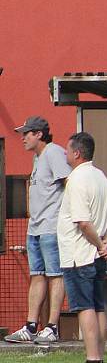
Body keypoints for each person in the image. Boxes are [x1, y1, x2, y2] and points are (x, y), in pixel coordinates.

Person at [4, 117, 73, 344]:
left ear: (39, 134)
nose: (22, 138)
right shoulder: (37, 158)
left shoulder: (53, 152)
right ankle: (31, 326)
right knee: (37, 275)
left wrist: (68, 218)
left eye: (27, 133)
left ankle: (52, 327)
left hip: (51, 227)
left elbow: (69, 182)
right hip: (35, 227)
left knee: (55, 275)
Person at [57, 132, 107, 363]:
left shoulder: (77, 179)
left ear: (77, 153)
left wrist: (100, 244)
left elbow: (83, 222)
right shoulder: (101, 177)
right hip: (97, 254)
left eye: (67, 149)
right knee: (98, 306)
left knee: (84, 307)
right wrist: (105, 245)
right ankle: (100, 354)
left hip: (79, 254)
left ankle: (92, 357)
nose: (65, 153)